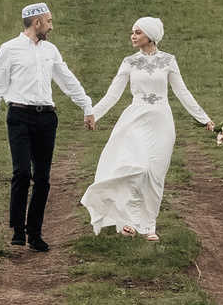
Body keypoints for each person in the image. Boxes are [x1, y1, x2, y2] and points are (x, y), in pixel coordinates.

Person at [81, 17, 212, 243]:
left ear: (150, 35)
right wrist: (93, 113)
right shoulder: (129, 62)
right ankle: (129, 221)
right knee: (137, 168)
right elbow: (113, 94)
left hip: (161, 121)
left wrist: (205, 119)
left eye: (138, 32)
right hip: (136, 120)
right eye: (132, 32)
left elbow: (183, 93)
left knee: (155, 173)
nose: (133, 36)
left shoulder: (168, 61)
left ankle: (149, 225)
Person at [0, 2, 94, 252]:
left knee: (42, 178)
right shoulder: (9, 49)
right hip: (19, 116)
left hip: (47, 119)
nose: (51, 26)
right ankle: (18, 231)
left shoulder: (50, 51)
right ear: (37, 23)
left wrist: (86, 106)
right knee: (22, 172)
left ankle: (35, 232)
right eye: (49, 21)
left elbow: (67, 79)